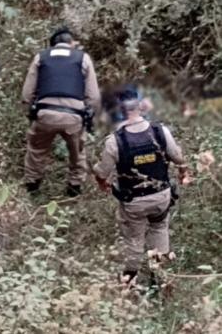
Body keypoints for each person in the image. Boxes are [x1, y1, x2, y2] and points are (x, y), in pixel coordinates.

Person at [93, 87, 190, 284]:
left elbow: (102, 172)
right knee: (159, 228)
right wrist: (182, 173)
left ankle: (129, 279)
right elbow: (179, 158)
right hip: (161, 196)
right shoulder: (160, 131)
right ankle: (160, 279)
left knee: (134, 240)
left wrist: (103, 183)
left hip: (133, 202)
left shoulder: (115, 141)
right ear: (140, 106)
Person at [22, 26, 101, 196]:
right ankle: (74, 188)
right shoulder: (83, 58)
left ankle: (32, 186)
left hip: (45, 114)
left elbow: (27, 93)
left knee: (36, 150)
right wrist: (88, 112)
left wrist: (30, 110)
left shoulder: (40, 57)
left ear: (52, 45)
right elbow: (93, 95)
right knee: (77, 153)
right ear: (70, 43)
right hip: (74, 117)